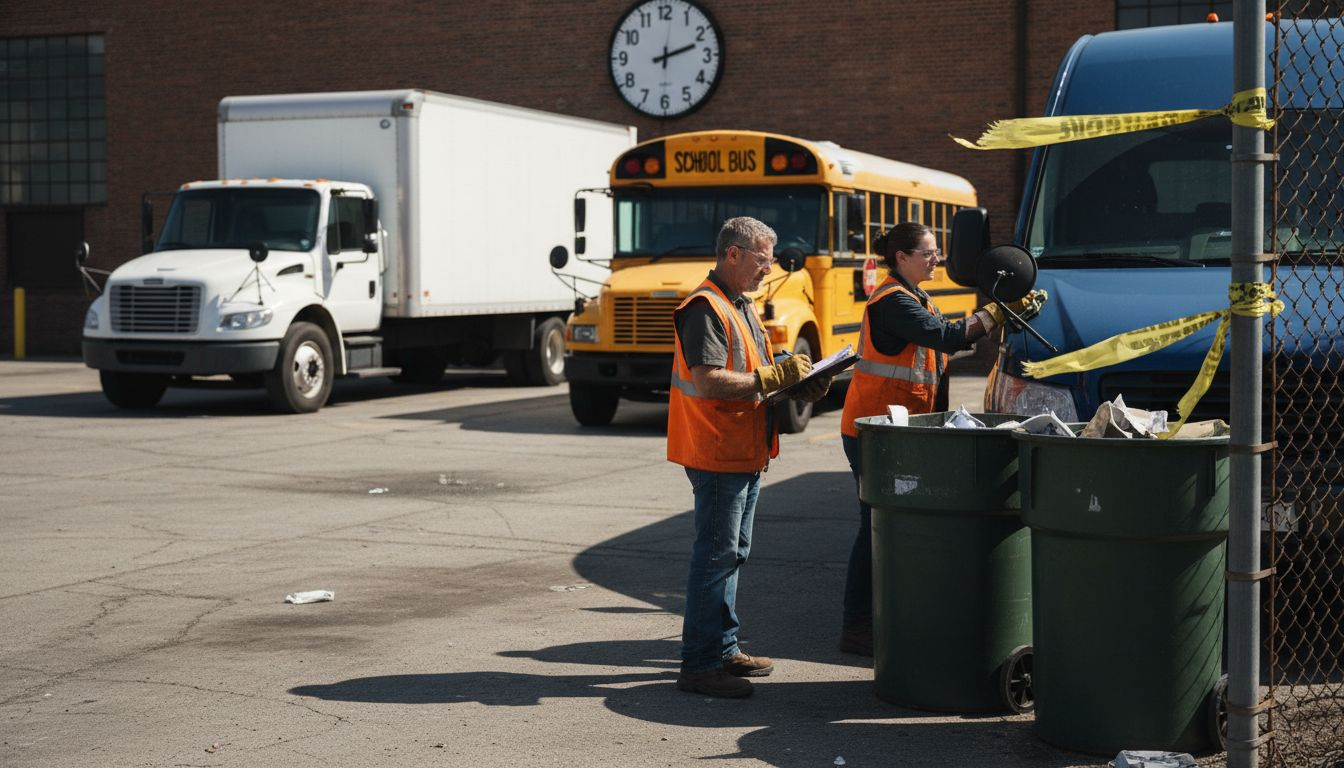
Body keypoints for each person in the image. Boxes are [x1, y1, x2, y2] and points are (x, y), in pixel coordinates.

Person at [836, 222, 1041, 656]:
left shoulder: (916, 297)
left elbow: (944, 343)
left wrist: (994, 318)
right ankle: (857, 627)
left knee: (894, 525)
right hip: (875, 431)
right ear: (902, 258)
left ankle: (889, 616)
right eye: (928, 253)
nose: (936, 259)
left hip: (901, 429)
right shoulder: (893, 302)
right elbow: (948, 338)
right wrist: (995, 312)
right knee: (875, 527)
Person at [667, 216, 831, 698]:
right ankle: (700, 665)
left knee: (731, 555)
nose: (769, 268)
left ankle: (722, 648)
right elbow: (710, 380)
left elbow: (755, 377)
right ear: (733, 255)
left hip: (740, 449)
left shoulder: (738, 304)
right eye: (763, 260)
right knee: (716, 559)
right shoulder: (706, 307)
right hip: (718, 450)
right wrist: (773, 379)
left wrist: (797, 382)